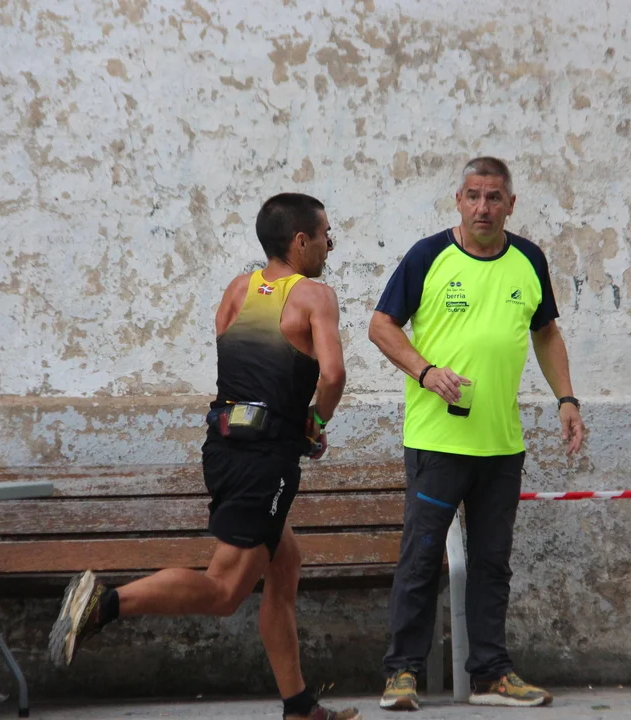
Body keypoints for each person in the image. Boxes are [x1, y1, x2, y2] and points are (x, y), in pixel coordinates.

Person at [48, 193, 361, 720]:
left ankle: (299, 706)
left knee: (285, 563)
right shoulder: (315, 296)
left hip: (224, 447)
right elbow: (332, 375)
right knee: (224, 591)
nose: (331, 243)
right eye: (326, 234)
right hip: (265, 460)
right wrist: (317, 422)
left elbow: (239, 366)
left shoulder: (238, 290)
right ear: (300, 241)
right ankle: (104, 604)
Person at [369, 157, 586, 711]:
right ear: (458, 201)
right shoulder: (428, 256)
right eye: (472, 196)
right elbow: (381, 326)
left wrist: (566, 398)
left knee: (492, 564)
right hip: (437, 445)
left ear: (511, 204)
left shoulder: (529, 259)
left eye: (493, 197)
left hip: (501, 446)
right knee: (421, 560)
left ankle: (491, 675)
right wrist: (425, 371)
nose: (482, 207)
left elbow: (546, 332)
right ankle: (402, 673)